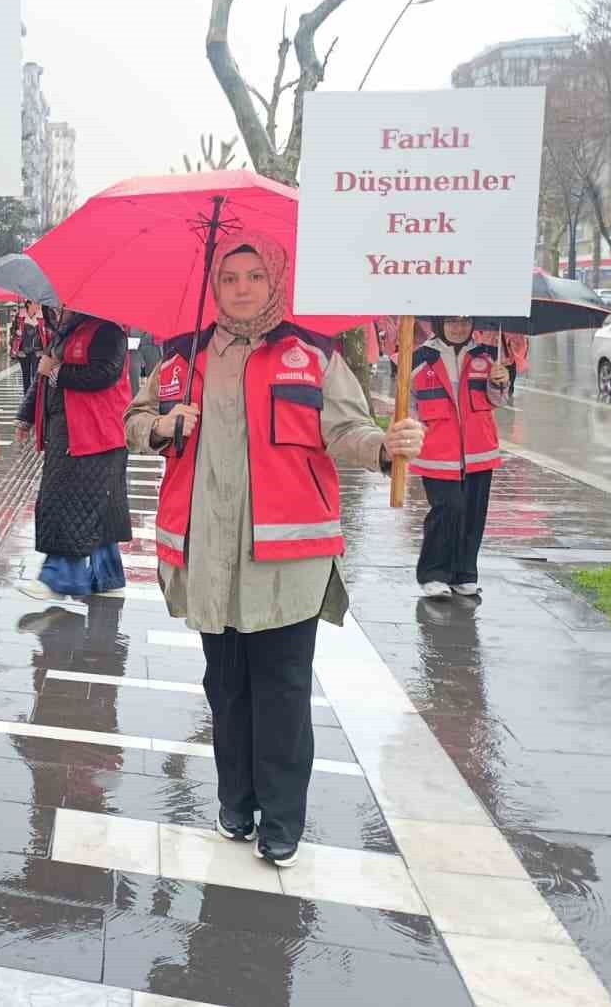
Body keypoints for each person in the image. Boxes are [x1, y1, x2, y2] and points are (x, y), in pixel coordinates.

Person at [124, 236, 424, 868]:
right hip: (208, 556)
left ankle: (282, 820)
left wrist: (385, 445)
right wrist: (157, 425)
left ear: (276, 280)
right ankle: (235, 802)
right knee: (225, 686)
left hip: (286, 562)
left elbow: (345, 429)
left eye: (254, 276)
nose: (240, 288)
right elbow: (136, 416)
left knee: (282, 690)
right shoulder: (182, 357)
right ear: (214, 283)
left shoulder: (312, 353)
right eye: (228, 276)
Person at [16, 310, 133, 598]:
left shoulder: (109, 332)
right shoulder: (66, 332)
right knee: (97, 509)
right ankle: (109, 577)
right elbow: (42, 376)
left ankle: (60, 578)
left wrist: (57, 372)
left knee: (68, 502)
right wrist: (26, 415)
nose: (59, 307)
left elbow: (104, 374)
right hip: (69, 431)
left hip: (94, 435)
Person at [411, 317, 509, 600]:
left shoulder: (488, 357)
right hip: (436, 452)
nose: (459, 328)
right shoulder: (419, 357)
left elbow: (497, 401)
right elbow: (409, 402)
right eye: (452, 321)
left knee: (472, 514)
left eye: (465, 321)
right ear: (440, 323)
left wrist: (499, 384)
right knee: (448, 508)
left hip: (479, 451)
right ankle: (433, 573)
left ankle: (465, 574)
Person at [10, 301, 51, 396]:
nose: (38, 306)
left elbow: (47, 334)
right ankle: (26, 397)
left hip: (38, 351)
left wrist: (44, 350)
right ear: (28, 304)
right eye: (36, 303)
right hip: (23, 350)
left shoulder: (42, 316)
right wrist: (17, 349)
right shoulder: (20, 316)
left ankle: (34, 397)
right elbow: (13, 333)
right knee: (26, 375)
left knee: (36, 375)